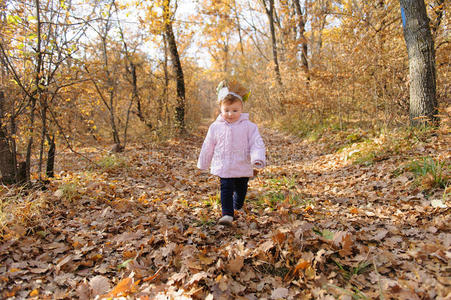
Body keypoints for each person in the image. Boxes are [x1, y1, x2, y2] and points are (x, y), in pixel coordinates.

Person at [197, 80, 266, 226]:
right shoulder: (215, 127)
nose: (230, 114)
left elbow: (256, 143)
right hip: (224, 166)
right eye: (226, 110)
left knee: (241, 190)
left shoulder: (249, 127)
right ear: (220, 109)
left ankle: (237, 206)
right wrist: (204, 162)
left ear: (241, 109)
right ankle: (227, 214)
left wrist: (258, 158)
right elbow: (208, 144)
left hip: (242, 166)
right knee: (226, 188)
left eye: (235, 110)